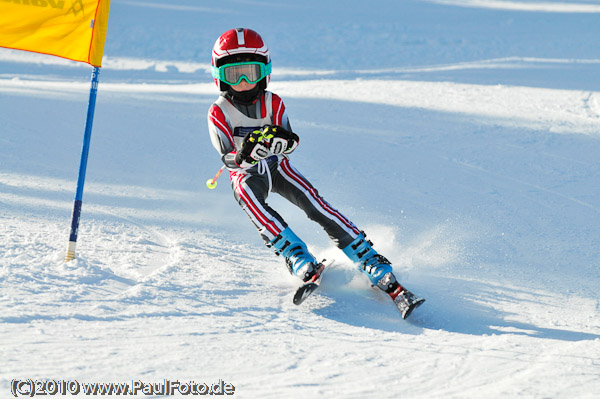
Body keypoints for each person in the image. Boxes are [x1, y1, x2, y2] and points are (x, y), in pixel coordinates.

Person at [207, 28, 424, 318]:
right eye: (235, 75)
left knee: (314, 203)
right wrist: (244, 154)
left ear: (265, 72)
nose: (245, 83)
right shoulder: (218, 111)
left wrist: (283, 142)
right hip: (247, 174)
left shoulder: (274, 102)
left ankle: (368, 257)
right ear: (220, 76)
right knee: (249, 198)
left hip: (277, 166)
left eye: (251, 72)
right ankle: (296, 255)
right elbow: (228, 157)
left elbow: (290, 139)